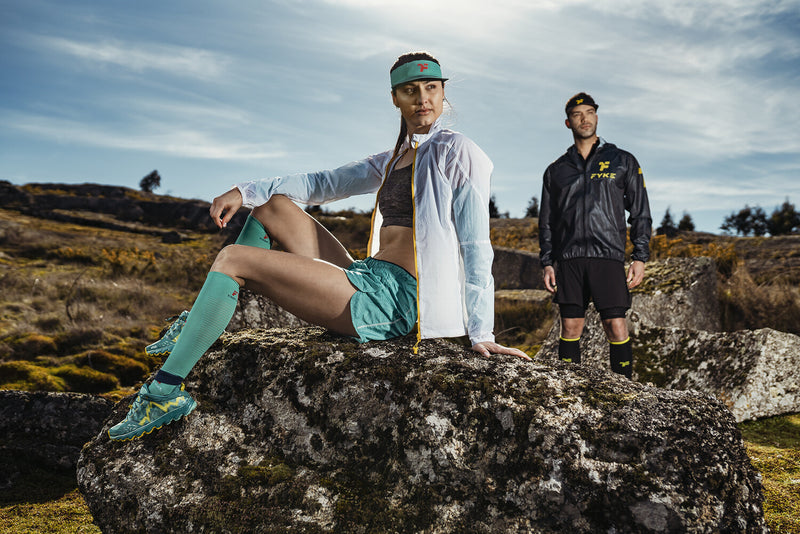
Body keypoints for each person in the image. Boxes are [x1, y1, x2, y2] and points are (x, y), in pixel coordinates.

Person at [109, 51, 529, 441]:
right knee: (271, 208)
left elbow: (477, 243)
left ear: (443, 92)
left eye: (432, 88)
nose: (423, 99)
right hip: (369, 275)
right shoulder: (392, 158)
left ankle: (164, 392)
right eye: (410, 90)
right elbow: (321, 184)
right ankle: (199, 321)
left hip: (399, 300)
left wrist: (481, 331)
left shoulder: (458, 150)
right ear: (395, 99)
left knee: (233, 258)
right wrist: (244, 190)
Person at [538, 92, 651, 379]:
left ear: (597, 117)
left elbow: (640, 211)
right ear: (568, 122)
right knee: (570, 328)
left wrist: (640, 256)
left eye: (589, 112)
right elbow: (547, 221)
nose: (584, 118)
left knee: (616, 326)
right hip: (569, 260)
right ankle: (570, 393)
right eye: (577, 114)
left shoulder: (622, 161)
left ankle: (626, 391)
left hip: (608, 256)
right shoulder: (556, 170)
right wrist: (548, 262)